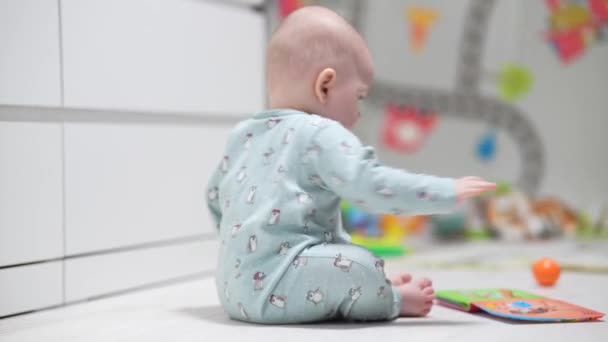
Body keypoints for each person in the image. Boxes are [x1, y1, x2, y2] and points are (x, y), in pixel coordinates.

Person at [206, 6, 496, 324]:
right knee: (360, 265)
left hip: (232, 291)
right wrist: (445, 191)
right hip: (279, 288)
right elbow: (371, 186)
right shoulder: (319, 131)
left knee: (343, 257)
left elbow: (214, 198)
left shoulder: (243, 133)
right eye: (359, 96)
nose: (359, 113)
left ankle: (366, 287)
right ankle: (392, 298)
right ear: (325, 86)